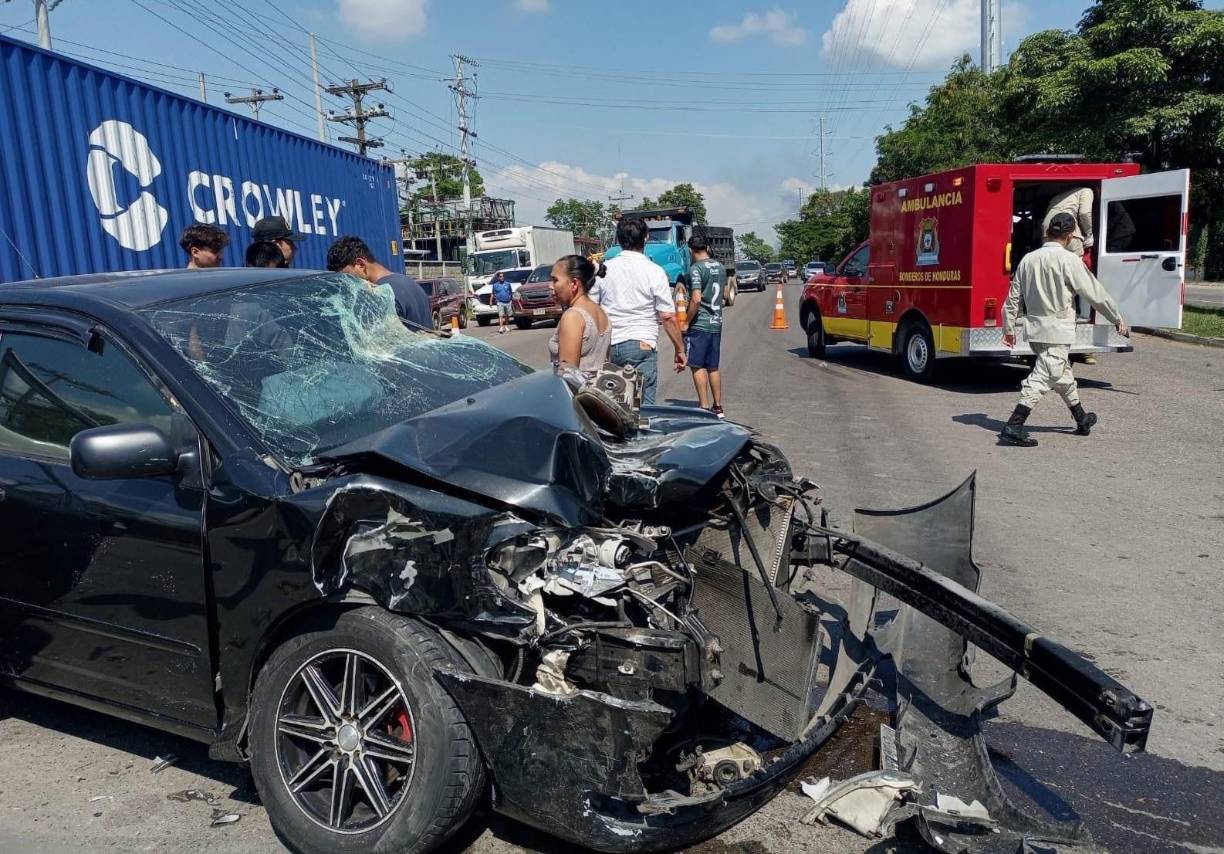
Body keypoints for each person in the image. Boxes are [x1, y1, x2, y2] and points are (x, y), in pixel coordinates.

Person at [1000, 212, 1129, 447]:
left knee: (1062, 375)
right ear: (1069, 236)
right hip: (1057, 331)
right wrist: (1116, 317)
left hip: (1035, 331)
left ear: (1048, 231)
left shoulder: (1028, 259)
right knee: (1042, 377)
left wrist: (1009, 328)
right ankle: (1014, 425)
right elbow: (1094, 293)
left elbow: (1012, 298)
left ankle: (1082, 419)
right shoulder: (1069, 260)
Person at [590, 217, 686, 405]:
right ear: (646, 238)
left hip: (610, 346)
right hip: (641, 345)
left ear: (618, 239)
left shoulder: (604, 270)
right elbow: (667, 316)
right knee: (643, 408)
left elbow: (592, 310)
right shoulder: (654, 271)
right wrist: (679, 349)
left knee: (615, 407)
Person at [326, 236, 432, 329]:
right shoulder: (411, 283)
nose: (347, 284)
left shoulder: (380, 294)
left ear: (360, 264)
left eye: (347, 277)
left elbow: (380, 346)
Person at [682, 235, 726, 418]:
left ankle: (704, 406)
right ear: (707, 248)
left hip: (700, 323)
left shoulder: (696, 269)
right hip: (716, 322)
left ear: (691, 251)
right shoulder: (721, 267)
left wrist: (686, 321)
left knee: (697, 365)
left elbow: (696, 298)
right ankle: (718, 406)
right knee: (713, 366)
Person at [548, 255, 611, 381]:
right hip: (596, 393)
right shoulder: (600, 311)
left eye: (555, 280)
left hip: (577, 397)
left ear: (574, 284)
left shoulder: (573, 317)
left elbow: (568, 375)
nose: (550, 286)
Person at [1042, 186, 1094, 258]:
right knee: (1074, 262)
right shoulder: (1086, 190)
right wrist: (1089, 234)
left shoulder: (1056, 197)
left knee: (1051, 260)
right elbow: (1084, 213)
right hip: (1067, 227)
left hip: (1047, 229)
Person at [491, 271, 514, 335]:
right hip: (500, 301)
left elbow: (510, 292)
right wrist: (490, 301)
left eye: (503, 276)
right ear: (498, 278)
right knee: (501, 315)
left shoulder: (507, 284)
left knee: (507, 315)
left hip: (507, 301)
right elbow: (492, 293)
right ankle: (501, 327)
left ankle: (506, 326)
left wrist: (511, 299)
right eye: (500, 276)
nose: (502, 277)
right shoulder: (495, 285)